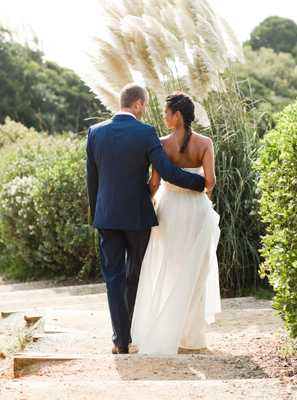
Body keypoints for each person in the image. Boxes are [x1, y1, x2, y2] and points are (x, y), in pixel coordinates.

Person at [86, 84, 206, 354]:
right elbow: (167, 172)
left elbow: (91, 182)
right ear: (138, 104)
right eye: (146, 104)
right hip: (138, 216)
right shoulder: (146, 133)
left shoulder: (95, 133)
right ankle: (131, 333)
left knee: (113, 278)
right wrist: (200, 183)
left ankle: (121, 340)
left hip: (107, 218)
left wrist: (97, 215)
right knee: (135, 275)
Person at [131, 92, 221, 354]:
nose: (163, 115)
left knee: (168, 267)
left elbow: (155, 183)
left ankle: (166, 329)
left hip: (169, 208)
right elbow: (211, 181)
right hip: (196, 209)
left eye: (166, 111)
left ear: (177, 115)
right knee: (195, 271)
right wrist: (202, 195)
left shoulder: (161, 144)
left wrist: (146, 199)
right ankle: (191, 337)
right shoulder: (205, 143)